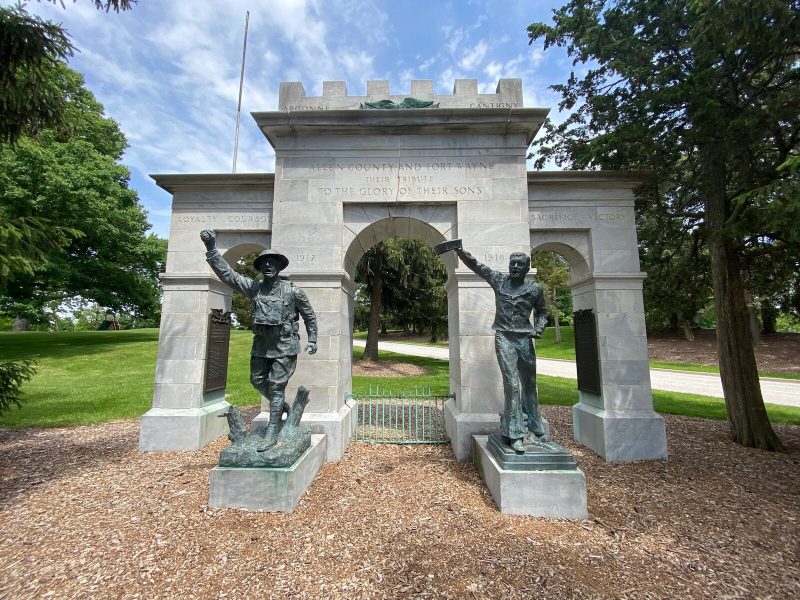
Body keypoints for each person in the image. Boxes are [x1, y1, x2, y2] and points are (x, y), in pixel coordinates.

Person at [200, 230, 317, 451]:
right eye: (264, 263)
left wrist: (312, 339)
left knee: (275, 385)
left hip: (284, 343)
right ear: (260, 267)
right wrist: (211, 250)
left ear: (279, 266)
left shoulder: (294, 292)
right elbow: (229, 276)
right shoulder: (254, 289)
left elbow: (309, 316)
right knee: (257, 380)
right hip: (262, 344)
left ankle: (272, 432)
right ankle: (281, 407)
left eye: (272, 262)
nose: (268, 266)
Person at [455, 247, 548, 452]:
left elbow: (542, 312)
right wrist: (460, 252)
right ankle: (515, 434)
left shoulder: (535, 289)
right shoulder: (499, 280)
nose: (515, 267)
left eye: (519, 264)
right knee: (512, 383)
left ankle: (536, 428)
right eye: (512, 263)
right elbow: (478, 266)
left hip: (524, 338)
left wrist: (539, 328)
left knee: (530, 383)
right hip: (504, 336)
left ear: (527, 268)